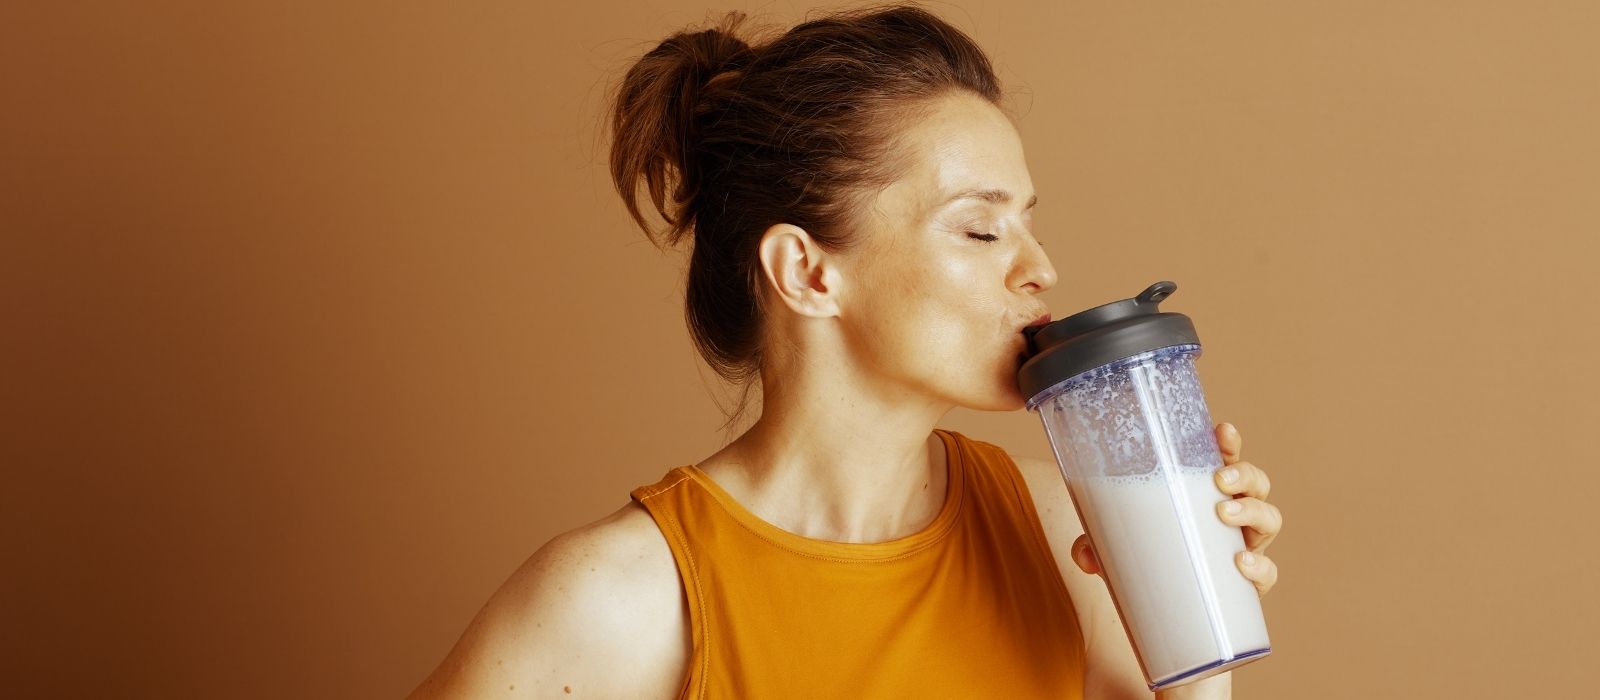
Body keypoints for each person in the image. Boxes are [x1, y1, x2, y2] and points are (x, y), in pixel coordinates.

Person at [409, 5, 1282, 699]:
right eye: (980, 229)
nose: (1041, 268)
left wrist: (1195, 632)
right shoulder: (625, 596)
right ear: (807, 272)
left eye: (1029, 222)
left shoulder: (1062, 528)